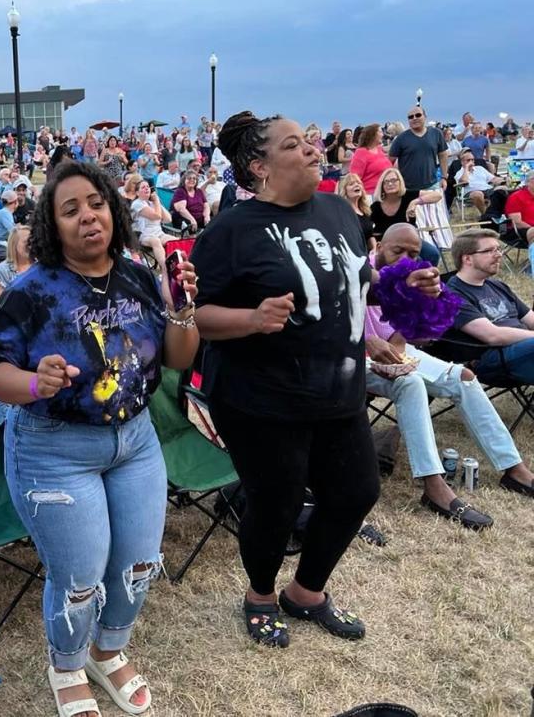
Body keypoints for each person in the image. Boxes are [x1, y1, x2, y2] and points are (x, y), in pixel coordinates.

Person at [191, 110, 441, 648]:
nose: (311, 148)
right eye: (293, 144)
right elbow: (203, 318)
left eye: (308, 139)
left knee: (356, 492)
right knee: (276, 503)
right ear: (258, 167)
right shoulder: (228, 232)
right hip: (261, 398)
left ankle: (306, 592)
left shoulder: (336, 209)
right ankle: (259, 595)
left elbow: (358, 277)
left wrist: (402, 280)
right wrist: (253, 319)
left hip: (338, 389)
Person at [0, 160, 198, 717]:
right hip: (54, 450)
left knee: (141, 561)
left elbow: (174, 359)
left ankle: (109, 650)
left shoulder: (139, 275)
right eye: (69, 209)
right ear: (54, 226)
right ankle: (68, 663)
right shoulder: (31, 291)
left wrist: (182, 310)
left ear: (113, 210)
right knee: (78, 575)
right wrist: (33, 381)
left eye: (95, 203)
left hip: (136, 442)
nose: (87, 216)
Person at [365, 223, 534, 527]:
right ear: (378, 247)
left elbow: (404, 336)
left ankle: (514, 469)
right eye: (397, 250)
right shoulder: (361, 274)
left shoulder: (412, 279)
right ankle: (434, 485)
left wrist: (401, 351)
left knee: (463, 377)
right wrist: (368, 344)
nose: (404, 258)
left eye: (413, 253)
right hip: (351, 353)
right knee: (411, 383)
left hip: (393, 351)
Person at [442, 229, 534, 395]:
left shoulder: (498, 285)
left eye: (498, 249)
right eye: (489, 251)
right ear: (467, 258)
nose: (499, 255)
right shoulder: (453, 295)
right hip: (493, 359)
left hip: (524, 350)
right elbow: (493, 336)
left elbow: (530, 319)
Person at [370, 167, 442, 263]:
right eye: (386, 182)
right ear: (382, 186)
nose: (390, 184)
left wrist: (415, 202)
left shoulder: (408, 196)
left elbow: (437, 196)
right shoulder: (376, 206)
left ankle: (424, 277)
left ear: (400, 182)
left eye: (393, 180)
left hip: (409, 241)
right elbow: (368, 229)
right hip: (388, 244)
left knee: (432, 254)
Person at [389, 106, 448, 195]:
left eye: (418, 115)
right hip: (407, 188)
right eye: (410, 117)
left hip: (432, 185)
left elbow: (443, 155)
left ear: (425, 116)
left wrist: (444, 177)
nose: (414, 118)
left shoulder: (436, 133)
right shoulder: (401, 138)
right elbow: (390, 160)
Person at [0, 225, 32, 303]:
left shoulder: (42, 267)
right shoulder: (1, 271)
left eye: (33, 241)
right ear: (14, 244)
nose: (30, 245)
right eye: (26, 242)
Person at [454, 149, 505, 213]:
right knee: (478, 194)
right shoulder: (460, 172)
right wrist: (466, 168)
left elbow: (493, 179)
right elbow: (464, 181)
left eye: (472, 159)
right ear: (462, 162)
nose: (471, 162)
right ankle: (485, 214)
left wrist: (503, 180)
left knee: (503, 189)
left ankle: (500, 213)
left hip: (487, 189)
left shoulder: (480, 168)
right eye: (468, 160)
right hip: (471, 192)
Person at [337, 173, 375, 252]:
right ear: (345, 190)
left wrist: (375, 249)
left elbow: (369, 235)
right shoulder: (342, 213)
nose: (356, 185)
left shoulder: (366, 211)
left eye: (358, 183)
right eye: (351, 184)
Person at [349, 124, 392, 195]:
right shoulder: (361, 152)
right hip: (370, 195)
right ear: (372, 135)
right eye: (381, 131)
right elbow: (354, 178)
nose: (383, 134)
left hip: (384, 193)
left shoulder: (379, 149)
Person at [505, 171, 534, 244]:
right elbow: (517, 222)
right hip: (524, 230)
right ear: (527, 183)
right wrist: (532, 229)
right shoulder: (516, 197)